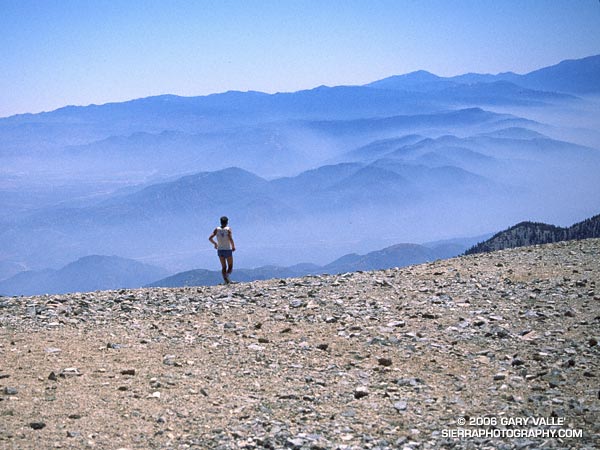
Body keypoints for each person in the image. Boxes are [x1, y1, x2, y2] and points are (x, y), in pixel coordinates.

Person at [209, 216, 236, 284]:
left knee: (223, 267)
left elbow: (210, 238)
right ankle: (227, 277)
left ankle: (225, 280)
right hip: (227, 249)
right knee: (230, 266)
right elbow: (230, 238)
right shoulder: (228, 229)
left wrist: (215, 244)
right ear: (227, 222)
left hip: (220, 250)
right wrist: (233, 246)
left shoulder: (217, 229)